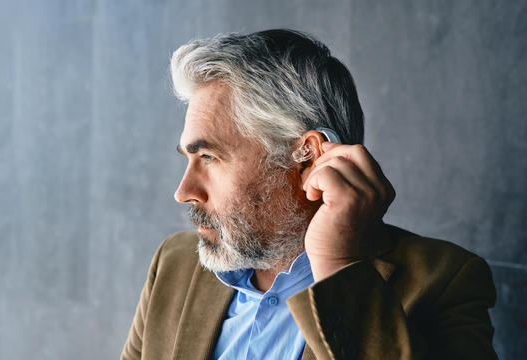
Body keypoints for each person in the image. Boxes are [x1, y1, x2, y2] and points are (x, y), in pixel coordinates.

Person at [121, 29, 497, 360]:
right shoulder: (173, 264)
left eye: (208, 156)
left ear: (308, 157)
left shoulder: (444, 281)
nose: (183, 192)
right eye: (190, 157)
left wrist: (339, 265)